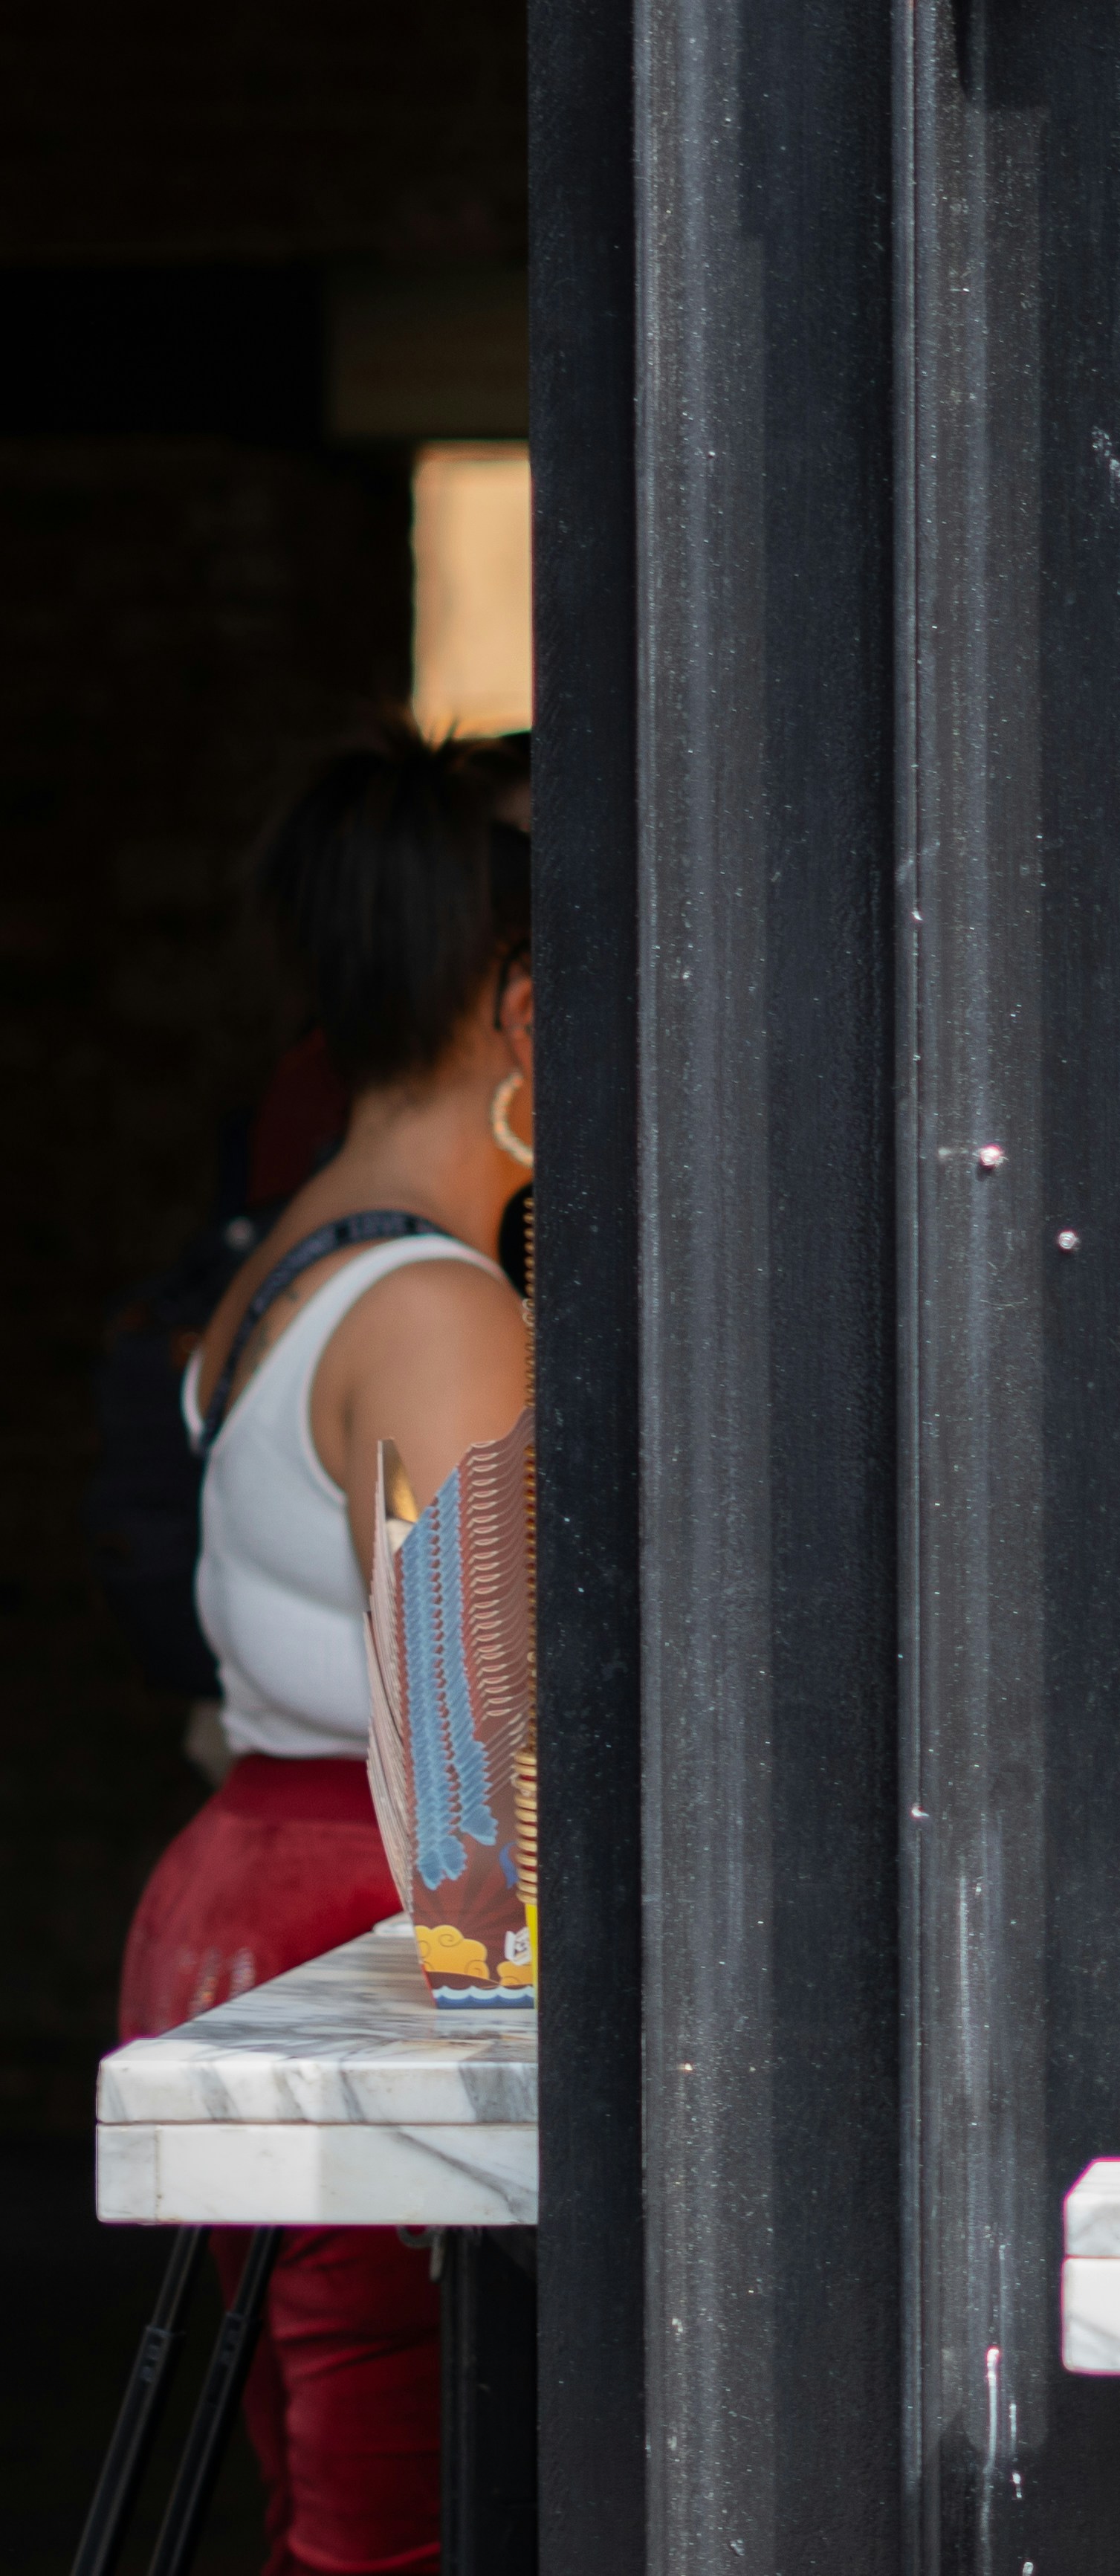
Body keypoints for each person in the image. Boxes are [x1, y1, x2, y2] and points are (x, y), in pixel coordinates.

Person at [117, 719, 534, 2575]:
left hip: (236, 1893)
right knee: (388, 2514)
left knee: (327, 2482)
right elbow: (470, 1790)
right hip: (353, 1931)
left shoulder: (286, 1254)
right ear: (522, 1014)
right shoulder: (443, 1306)